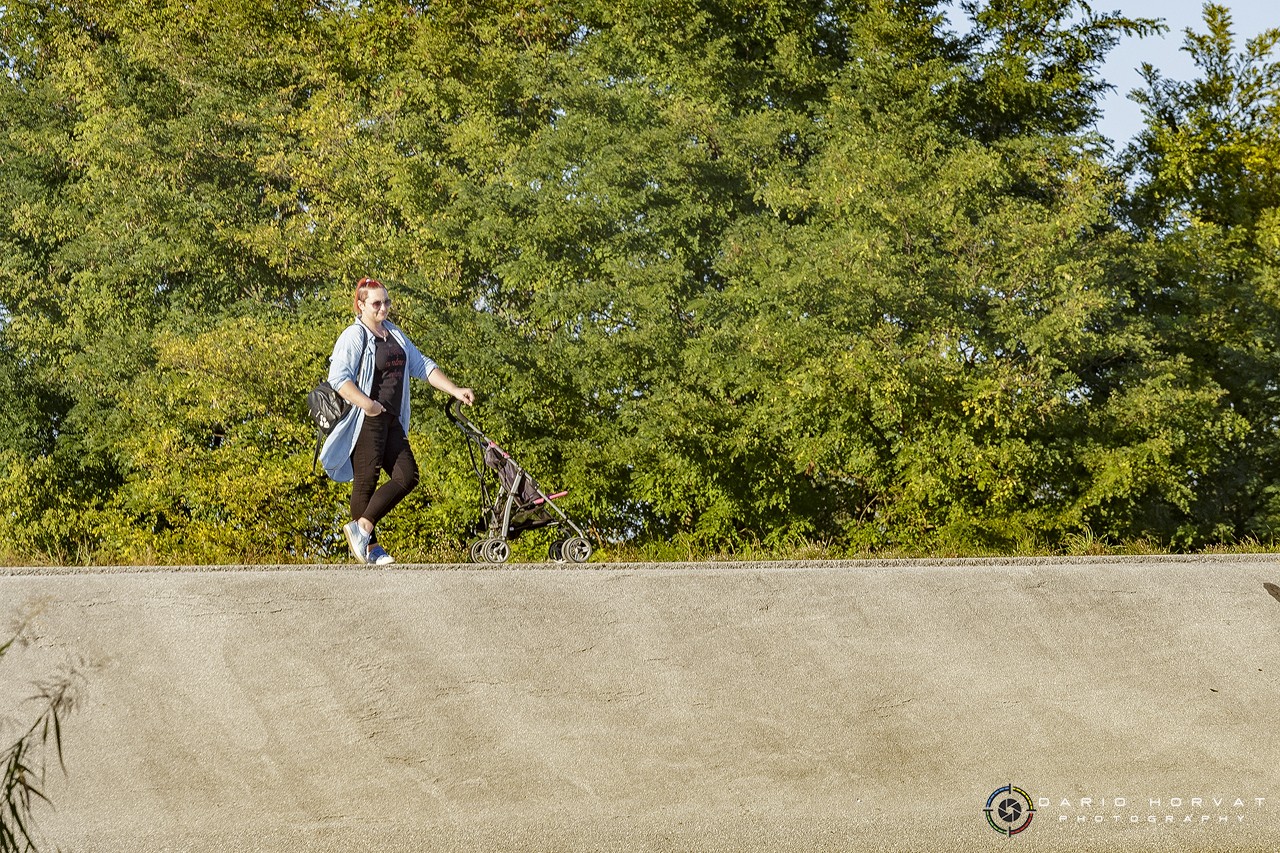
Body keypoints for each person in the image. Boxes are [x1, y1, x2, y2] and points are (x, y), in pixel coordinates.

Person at [318, 277, 475, 565]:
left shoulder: (394, 334)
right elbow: (339, 379)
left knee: (407, 476)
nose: (383, 308)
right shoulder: (354, 336)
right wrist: (369, 405)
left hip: (392, 419)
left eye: (386, 302)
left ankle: (363, 528)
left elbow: (423, 365)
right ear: (361, 304)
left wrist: (454, 389)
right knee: (366, 483)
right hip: (367, 419)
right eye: (376, 303)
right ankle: (372, 547)